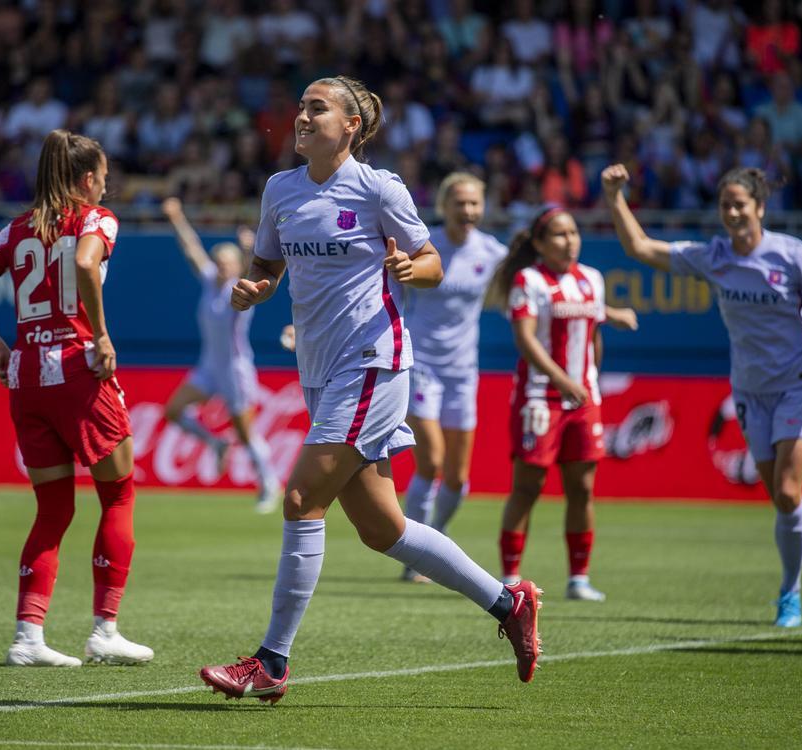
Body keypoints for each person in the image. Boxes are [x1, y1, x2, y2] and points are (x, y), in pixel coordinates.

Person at [197, 76, 543, 704]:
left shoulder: (378, 187)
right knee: (383, 529)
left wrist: (416, 268)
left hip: (373, 362)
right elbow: (268, 266)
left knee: (302, 497)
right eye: (300, 107)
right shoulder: (281, 190)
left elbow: (432, 259)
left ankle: (271, 662)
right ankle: (507, 601)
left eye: (316, 108)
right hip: (319, 368)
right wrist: (257, 289)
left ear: (351, 125)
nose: (301, 117)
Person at [601, 162, 802, 627]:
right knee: (785, 498)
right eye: (725, 205)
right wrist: (614, 197)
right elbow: (641, 247)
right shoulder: (714, 255)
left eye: (739, 204)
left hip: (801, 384)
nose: (732, 212)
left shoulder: (792, 254)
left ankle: (790, 595)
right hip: (749, 389)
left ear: (760, 208)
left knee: (787, 491)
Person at [0, 130, 152, 667]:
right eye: (103, 178)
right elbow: (86, 263)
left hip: (27, 374)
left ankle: (27, 638)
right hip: (77, 370)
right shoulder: (94, 219)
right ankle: (105, 630)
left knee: (54, 508)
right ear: (86, 180)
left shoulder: (16, 230)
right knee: (119, 495)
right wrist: (101, 334)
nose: (106, 188)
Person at [484, 204, 638, 602]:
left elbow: (592, 337)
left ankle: (579, 578)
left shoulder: (592, 279)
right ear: (539, 243)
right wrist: (560, 379)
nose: (569, 241)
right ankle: (510, 578)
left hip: (583, 399)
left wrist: (589, 382)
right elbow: (526, 338)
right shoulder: (529, 280)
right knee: (528, 487)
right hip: (540, 398)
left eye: (573, 233)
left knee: (582, 489)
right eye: (559, 234)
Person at [398, 172, 506, 582]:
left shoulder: (492, 253)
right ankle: (415, 554)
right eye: (459, 203)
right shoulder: (425, 247)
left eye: (474, 203)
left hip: (463, 371)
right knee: (432, 461)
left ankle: (436, 540)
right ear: (444, 207)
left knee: (458, 478)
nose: (468, 211)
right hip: (420, 364)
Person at [161, 196, 282, 513]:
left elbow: (251, 268)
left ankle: (268, 483)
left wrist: (247, 248)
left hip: (236, 371)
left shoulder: (239, 289)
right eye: (221, 262)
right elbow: (191, 249)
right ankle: (215, 443)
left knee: (245, 433)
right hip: (208, 367)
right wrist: (176, 218)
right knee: (173, 410)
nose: (224, 267)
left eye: (230, 264)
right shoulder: (208, 281)